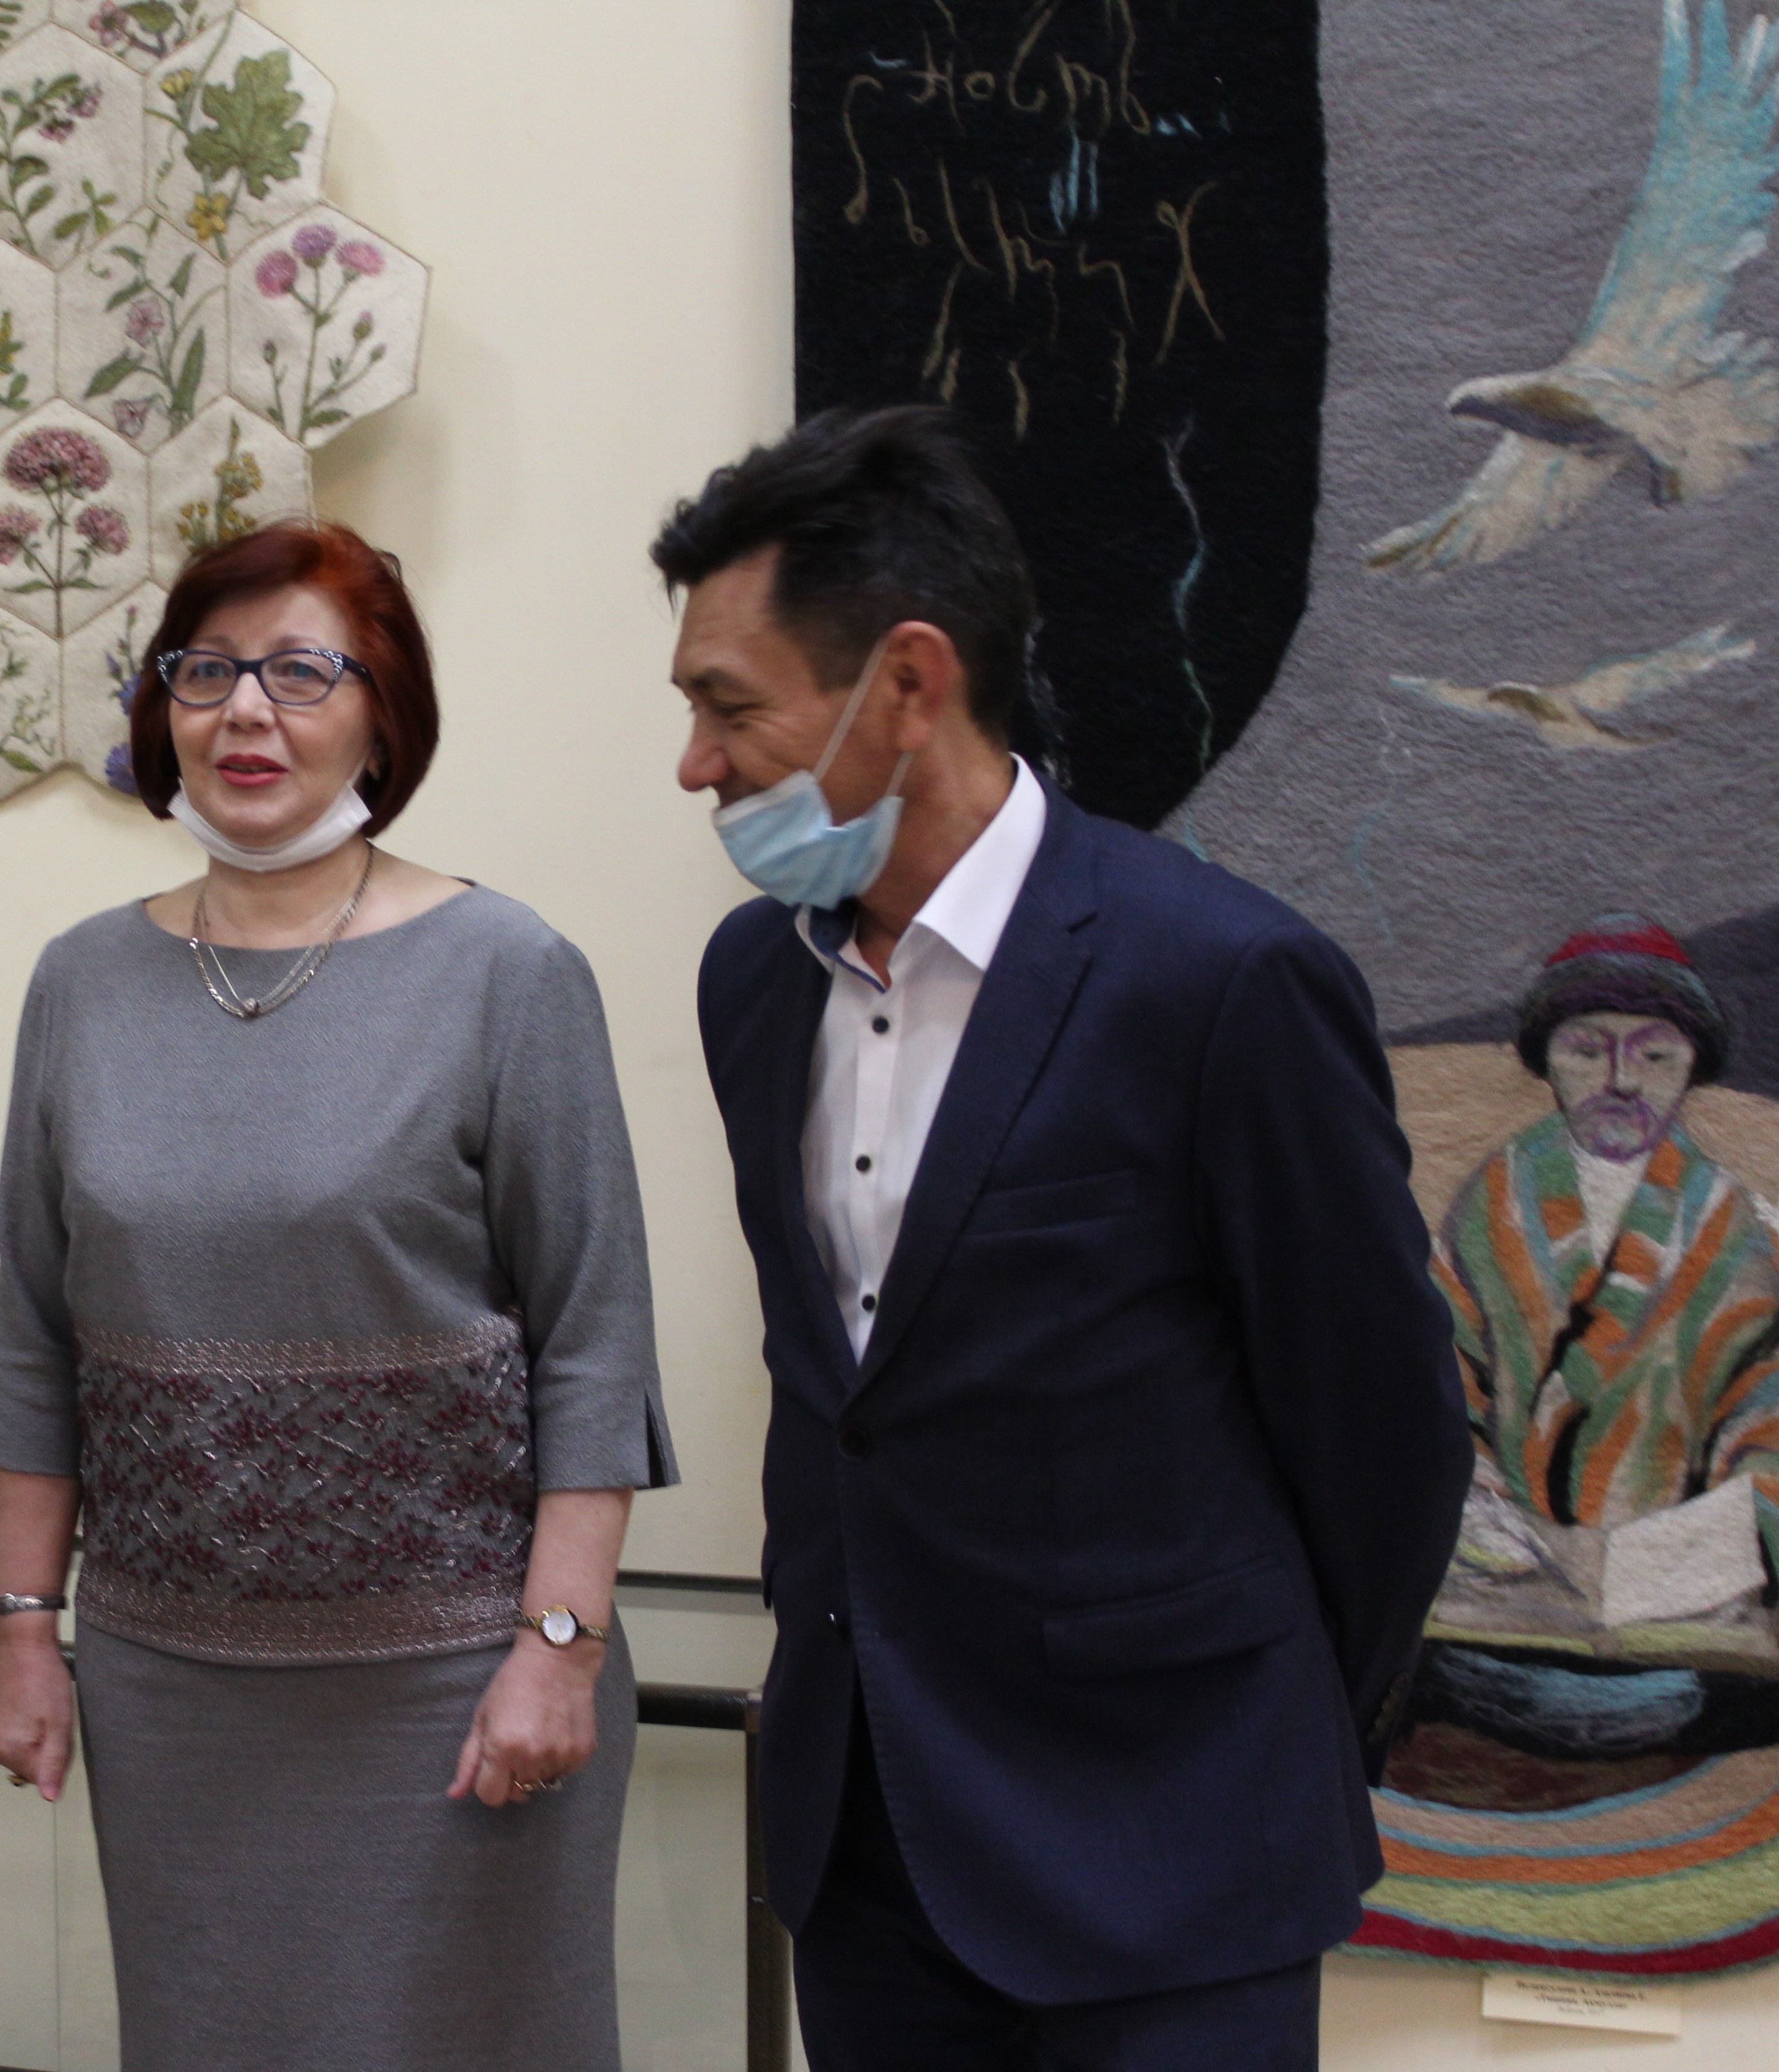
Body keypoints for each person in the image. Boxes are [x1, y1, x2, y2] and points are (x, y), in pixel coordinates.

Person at [667, 407, 1469, 2068]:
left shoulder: (1220, 981)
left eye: (728, 706)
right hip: (866, 1853)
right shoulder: (751, 983)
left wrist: (1260, 1732)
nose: (694, 762)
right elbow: (843, 1400)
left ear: (907, 681)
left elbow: (1383, 1432)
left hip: (1174, 1855)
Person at [0, 521, 676, 2070]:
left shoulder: (508, 970)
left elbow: (595, 1335)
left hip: (457, 1684)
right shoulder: (79, 981)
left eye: (301, 671)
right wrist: (27, 1632)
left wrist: (559, 1645)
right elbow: (35, 1333)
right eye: (206, 669)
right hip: (172, 1685)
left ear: (382, 713)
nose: (244, 709)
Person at [1425, 916, 1779, 1667]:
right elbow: (1440, 1375)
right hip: (1514, 1581)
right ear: (1548, 1063)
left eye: (1655, 1054)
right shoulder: (1495, 1202)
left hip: (1680, 1595)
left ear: (1691, 1066)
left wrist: (1718, 1540)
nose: (1622, 1081)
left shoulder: (1732, 1227)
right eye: (1588, 1051)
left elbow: (1767, 1415)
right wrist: (1477, 1503)